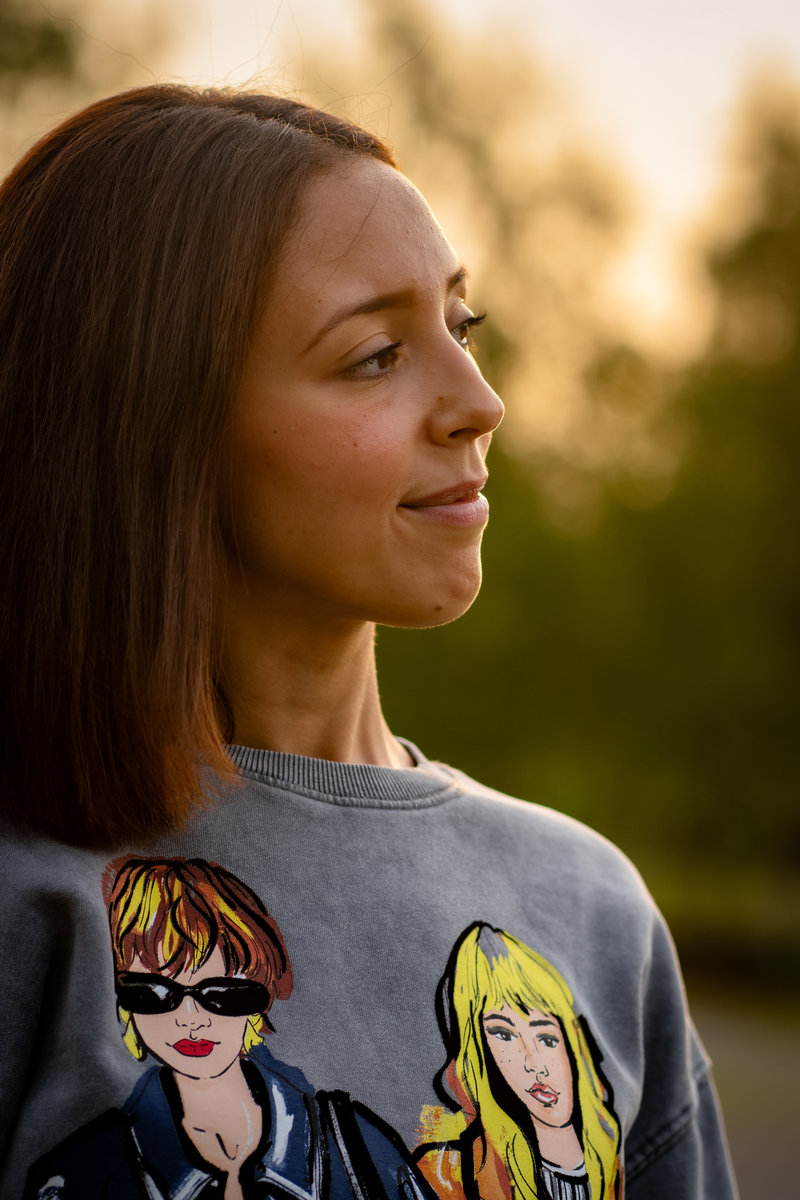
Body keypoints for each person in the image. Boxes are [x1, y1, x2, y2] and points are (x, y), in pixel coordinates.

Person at [0, 84, 737, 1200]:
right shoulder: (29, 905)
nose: (480, 400)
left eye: (461, 326)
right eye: (377, 354)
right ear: (151, 425)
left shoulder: (587, 909)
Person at [24, 857, 430, 1199]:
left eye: (222, 994)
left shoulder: (353, 1145)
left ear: (261, 995)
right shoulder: (83, 1173)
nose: (190, 1018)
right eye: (154, 992)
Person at [414, 924, 620, 1200]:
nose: (534, 1064)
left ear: (573, 1044)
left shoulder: (611, 1165)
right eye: (504, 1034)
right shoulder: (447, 1173)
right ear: (477, 1049)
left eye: (546, 1038)